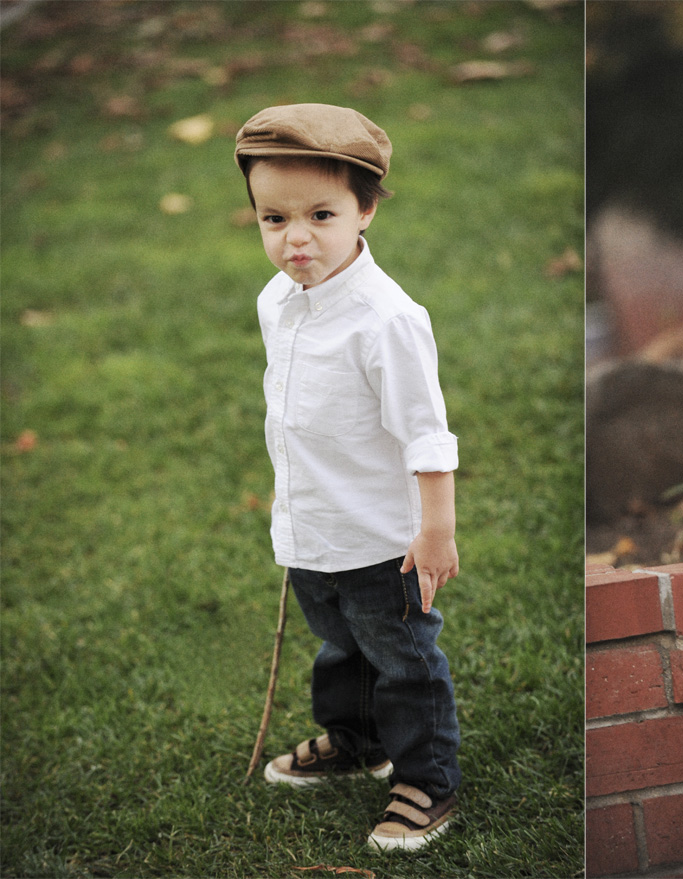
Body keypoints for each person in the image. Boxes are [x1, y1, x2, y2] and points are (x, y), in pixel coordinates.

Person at [234, 103, 461, 852]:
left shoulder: (385, 319)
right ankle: (357, 740)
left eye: (321, 215)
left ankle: (427, 777)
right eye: (274, 219)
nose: (296, 238)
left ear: (366, 209)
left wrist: (435, 530)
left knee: (402, 658)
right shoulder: (278, 300)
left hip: (381, 539)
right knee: (340, 646)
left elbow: (425, 434)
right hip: (312, 525)